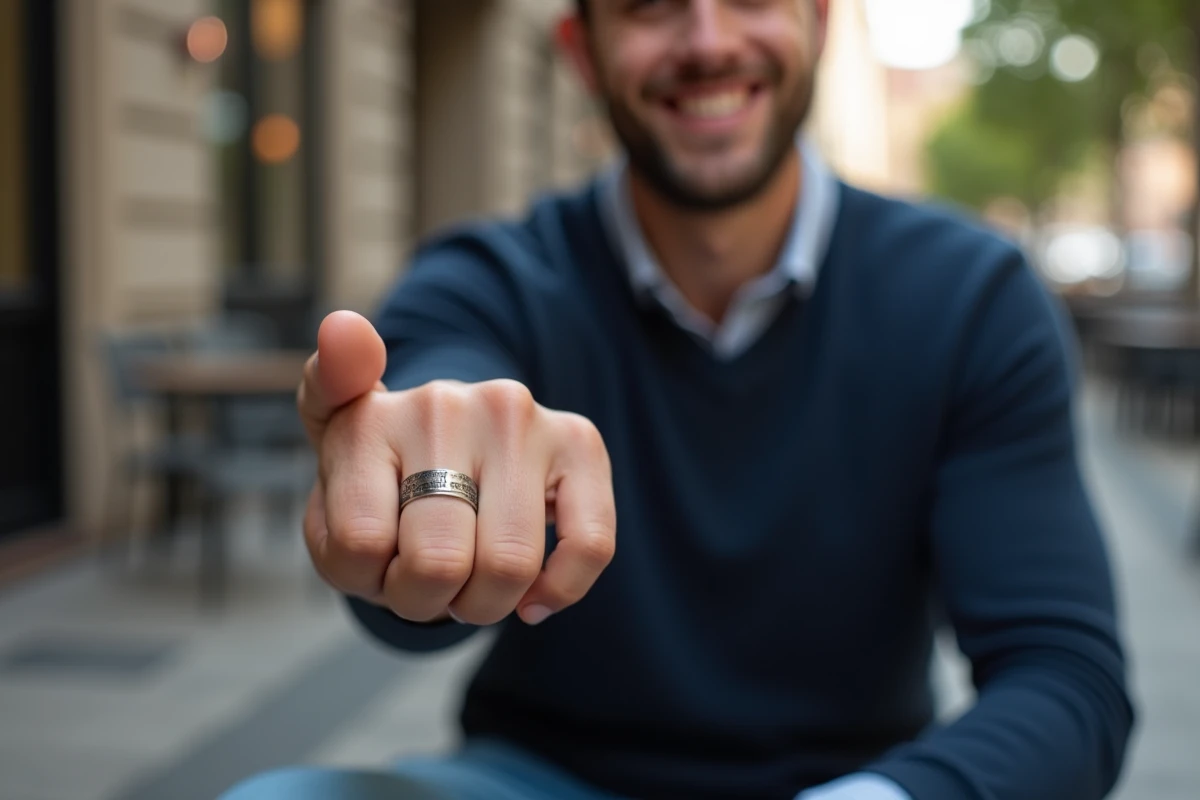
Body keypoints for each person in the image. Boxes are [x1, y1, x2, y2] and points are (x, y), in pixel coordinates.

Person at [224, 1, 1134, 798]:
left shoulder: (970, 299)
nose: (707, 40)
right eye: (651, 4)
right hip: (538, 780)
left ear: (817, 21)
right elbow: (437, 400)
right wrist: (422, 486)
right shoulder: (488, 278)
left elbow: (1066, 680)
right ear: (583, 52)